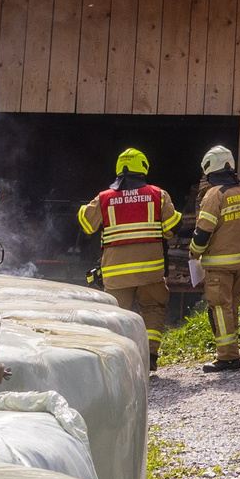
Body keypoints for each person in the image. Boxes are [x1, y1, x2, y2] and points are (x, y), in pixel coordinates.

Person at [78, 148, 181, 369]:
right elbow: (172, 228)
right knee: (153, 309)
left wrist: (83, 209)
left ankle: (120, 361)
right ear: (143, 167)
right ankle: (150, 356)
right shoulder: (157, 194)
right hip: (150, 271)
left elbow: (86, 225)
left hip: (116, 274)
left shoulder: (104, 198)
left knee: (117, 315)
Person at [188, 146, 240, 372]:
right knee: (231, 308)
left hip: (219, 265)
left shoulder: (214, 194)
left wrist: (193, 252)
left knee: (219, 308)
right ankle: (231, 351)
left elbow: (203, 231)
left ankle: (227, 357)